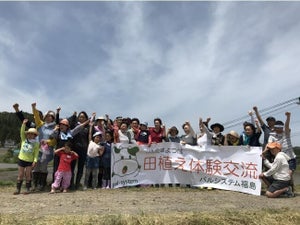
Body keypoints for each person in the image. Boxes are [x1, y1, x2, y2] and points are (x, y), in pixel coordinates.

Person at [31, 102, 57, 191]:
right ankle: (34, 185)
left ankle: (41, 184)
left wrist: (47, 141)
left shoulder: (54, 128)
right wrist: (34, 108)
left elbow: (54, 141)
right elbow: (36, 116)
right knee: (36, 166)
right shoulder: (40, 124)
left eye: (51, 116)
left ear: (53, 118)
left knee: (43, 167)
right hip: (38, 149)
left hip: (47, 151)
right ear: (45, 117)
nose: (49, 117)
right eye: (48, 116)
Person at [267, 112, 297, 190]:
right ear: (275, 128)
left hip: (290, 158)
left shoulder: (286, 133)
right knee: (284, 176)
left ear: (282, 128)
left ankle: (291, 189)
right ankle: (286, 189)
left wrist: (288, 117)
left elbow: (287, 126)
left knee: (289, 174)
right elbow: (269, 145)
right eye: (277, 128)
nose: (278, 129)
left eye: (280, 128)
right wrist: (264, 152)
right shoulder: (272, 135)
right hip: (280, 159)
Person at [13, 119, 39, 195]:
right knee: (20, 174)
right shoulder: (24, 140)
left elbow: (36, 153)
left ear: (35, 135)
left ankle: (28, 189)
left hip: (29, 161)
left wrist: (35, 161)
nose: (30, 135)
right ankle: (18, 189)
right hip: (21, 159)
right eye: (29, 133)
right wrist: (23, 124)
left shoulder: (36, 144)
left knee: (28, 174)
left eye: (32, 134)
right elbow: (21, 132)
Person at [69, 111, 91, 190]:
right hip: (74, 148)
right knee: (72, 167)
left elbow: (90, 137)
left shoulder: (88, 127)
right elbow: (69, 124)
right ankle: (71, 184)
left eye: (83, 117)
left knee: (81, 167)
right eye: (80, 117)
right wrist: (73, 115)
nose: (81, 118)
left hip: (83, 149)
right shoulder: (74, 125)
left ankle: (77, 184)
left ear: (86, 118)